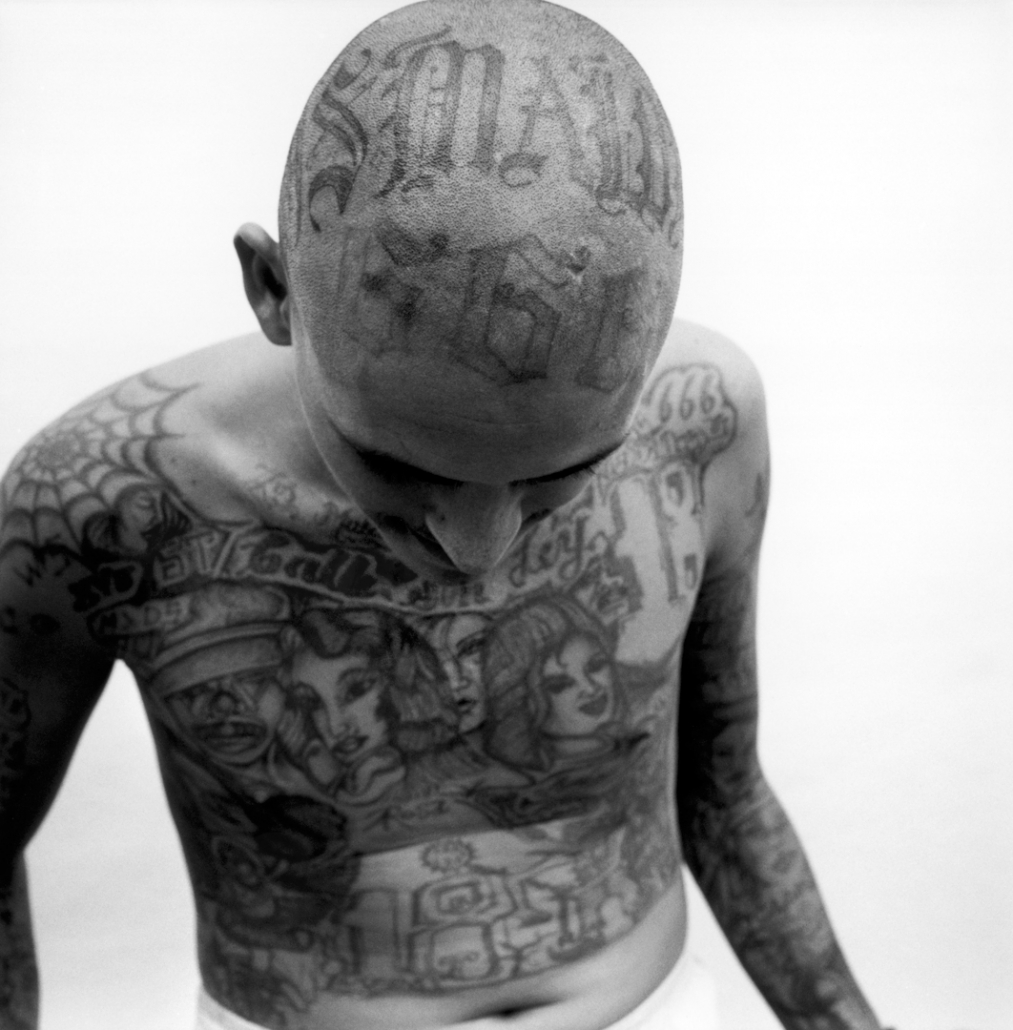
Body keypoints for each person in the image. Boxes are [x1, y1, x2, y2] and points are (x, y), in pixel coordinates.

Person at [0, 1, 887, 1028]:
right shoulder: (102, 497)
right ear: (274, 289)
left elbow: (723, 797)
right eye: (399, 467)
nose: (476, 550)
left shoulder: (701, 421)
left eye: (562, 473)